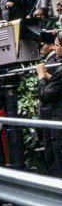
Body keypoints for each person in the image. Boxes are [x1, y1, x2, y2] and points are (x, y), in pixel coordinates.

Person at [37, 32, 62, 178]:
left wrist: (41, 76)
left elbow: (44, 95)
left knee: (57, 168)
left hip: (58, 129)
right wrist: (48, 76)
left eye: (58, 45)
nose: (55, 48)